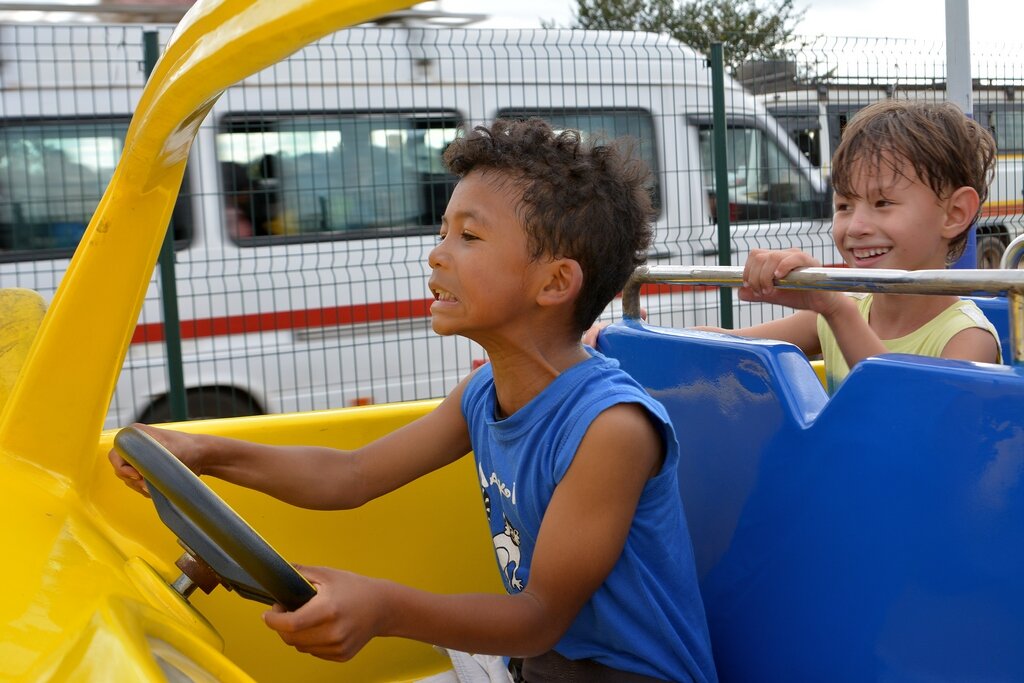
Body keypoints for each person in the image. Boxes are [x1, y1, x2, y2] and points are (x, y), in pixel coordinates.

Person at [110, 119, 717, 683]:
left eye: (469, 235)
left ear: (555, 282)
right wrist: (203, 450)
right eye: (443, 230)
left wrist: (381, 608)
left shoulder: (609, 428)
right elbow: (350, 475)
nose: (437, 252)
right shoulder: (483, 392)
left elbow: (538, 616)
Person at [587, 100, 1001, 394]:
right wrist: (630, 336)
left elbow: (913, 414)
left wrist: (834, 308)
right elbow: (731, 343)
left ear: (954, 213)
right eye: (843, 204)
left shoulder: (966, 338)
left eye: (882, 203)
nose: (855, 226)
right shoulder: (846, 311)